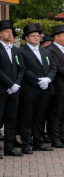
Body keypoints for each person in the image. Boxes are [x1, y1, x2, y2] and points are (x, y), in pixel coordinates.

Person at [18, 23, 56, 153]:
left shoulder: (46, 51)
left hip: (45, 89)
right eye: (33, 36)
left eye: (38, 36)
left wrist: (48, 79)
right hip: (29, 89)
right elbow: (23, 69)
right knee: (27, 117)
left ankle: (38, 142)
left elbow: (53, 67)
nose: (36, 38)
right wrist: (37, 80)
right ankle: (26, 144)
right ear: (26, 38)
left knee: (40, 117)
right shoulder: (21, 51)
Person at [0, 20, 25, 157]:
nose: (10, 33)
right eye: (7, 31)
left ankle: (9, 147)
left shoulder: (15, 50)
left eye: (11, 31)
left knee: (11, 119)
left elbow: (21, 68)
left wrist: (16, 84)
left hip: (14, 90)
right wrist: (10, 84)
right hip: (1, 90)